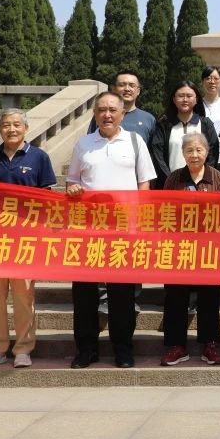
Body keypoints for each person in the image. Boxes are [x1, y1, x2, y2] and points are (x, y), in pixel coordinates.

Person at [66, 91, 156, 368]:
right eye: (102, 110)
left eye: (112, 110)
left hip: (124, 230)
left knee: (122, 294)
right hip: (88, 230)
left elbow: (144, 183)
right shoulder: (83, 144)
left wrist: (139, 221)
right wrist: (73, 189)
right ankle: (86, 349)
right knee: (84, 292)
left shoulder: (135, 141)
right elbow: (72, 181)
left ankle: (123, 349)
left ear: (122, 114)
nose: (107, 115)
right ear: (95, 114)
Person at [0, 109, 57, 369]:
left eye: (16, 124)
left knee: (23, 297)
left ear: (26, 128)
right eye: (6, 125)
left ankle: (23, 348)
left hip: (25, 240)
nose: (11, 129)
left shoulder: (39, 157)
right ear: (0, 130)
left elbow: (47, 199)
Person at [160, 131, 220, 366]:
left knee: (209, 297)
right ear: (182, 153)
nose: (194, 154)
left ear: (207, 152)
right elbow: (164, 211)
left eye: (199, 149)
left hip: (209, 248)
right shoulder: (174, 179)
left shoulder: (217, 177)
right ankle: (176, 345)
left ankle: (210, 344)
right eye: (189, 150)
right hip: (179, 248)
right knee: (175, 296)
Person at [148, 80, 220, 188]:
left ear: (196, 99)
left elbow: (213, 155)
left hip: (200, 185)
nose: (185, 99)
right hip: (169, 185)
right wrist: (171, 180)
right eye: (181, 96)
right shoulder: (164, 125)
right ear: (174, 99)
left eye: (189, 96)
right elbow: (158, 156)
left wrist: (201, 179)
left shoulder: (205, 124)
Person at [88, 70, 156, 142]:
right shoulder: (103, 116)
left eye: (132, 85)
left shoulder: (149, 119)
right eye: (122, 85)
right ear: (113, 89)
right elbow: (90, 141)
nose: (127, 89)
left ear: (138, 91)